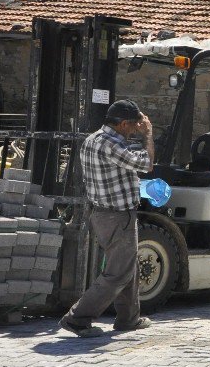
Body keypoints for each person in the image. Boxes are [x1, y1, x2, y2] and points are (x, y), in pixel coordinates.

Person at [59, 99, 155, 338]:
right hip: (117, 217)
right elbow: (148, 164)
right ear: (123, 124)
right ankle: (77, 318)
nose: (136, 129)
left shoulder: (92, 140)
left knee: (126, 265)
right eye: (133, 125)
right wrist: (148, 135)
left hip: (103, 214)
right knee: (118, 273)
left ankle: (128, 318)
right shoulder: (111, 145)